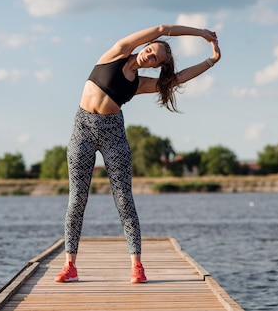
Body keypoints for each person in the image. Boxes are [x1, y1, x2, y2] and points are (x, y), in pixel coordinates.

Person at [54, 24, 221, 284]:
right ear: (145, 45)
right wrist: (201, 33)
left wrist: (211, 60)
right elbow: (162, 28)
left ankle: (137, 266)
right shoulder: (117, 52)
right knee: (76, 199)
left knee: (124, 199)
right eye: (151, 49)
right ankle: (70, 266)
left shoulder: (139, 84)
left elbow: (177, 79)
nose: (150, 55)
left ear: (155, 65)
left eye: (155, 58)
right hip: (82, 131)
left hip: (113, 135)